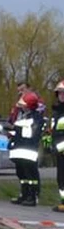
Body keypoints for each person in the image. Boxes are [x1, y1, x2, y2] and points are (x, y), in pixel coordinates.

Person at [8, 91, 44, 206]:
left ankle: (32, 196)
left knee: (31, 175)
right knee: (21, 174)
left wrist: (17, 127)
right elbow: (18, 131)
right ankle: (24, 194)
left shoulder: (36, 118)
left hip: (29, 152)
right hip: (19, 151)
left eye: (24, 105)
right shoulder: (23, 116)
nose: (22, 107)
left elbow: (30, 133)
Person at [51, 80, 64, 213]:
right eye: (59, 93)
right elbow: (53, 132)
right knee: (61, 177)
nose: (61, 95)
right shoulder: (56, 111)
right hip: (60, 151)